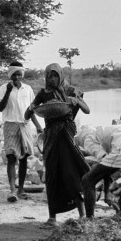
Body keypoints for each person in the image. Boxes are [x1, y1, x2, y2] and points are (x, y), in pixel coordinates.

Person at [25, 63, 90, 226]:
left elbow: (87, 110)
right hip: (51, 138)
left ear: (60, 75)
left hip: (66, 137)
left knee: (70, 172)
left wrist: (76, 100)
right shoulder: (43, 93)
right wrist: (31, 108)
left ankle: (82, 214)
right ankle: (52, 217)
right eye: (49, 76)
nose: (52, 79)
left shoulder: (70, 91)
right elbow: (27, 114)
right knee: (52, 175)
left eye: (55, 75)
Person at [0, 63, 42, 202]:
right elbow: (0, 108)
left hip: (25, 125)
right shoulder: (4, 88)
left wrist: (39, 126)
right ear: (10, 75)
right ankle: (12, 190)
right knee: (11, 157)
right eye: (14, 74)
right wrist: (8, 92)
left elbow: (31, 110)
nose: (17, 77)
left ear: (22, 75)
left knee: (23, 158)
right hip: (10, 125)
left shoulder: (27, 89)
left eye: (19, 74)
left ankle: (21, 189)